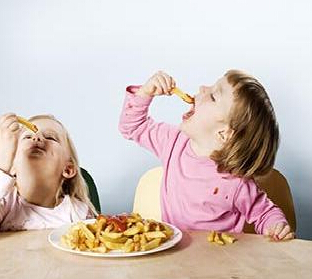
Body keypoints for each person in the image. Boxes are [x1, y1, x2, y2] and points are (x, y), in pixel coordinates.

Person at [119, 70, 294, 240]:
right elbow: (133, 127)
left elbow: (264, 213)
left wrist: (276, 227)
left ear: (223, 133)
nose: (202, 87)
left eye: (213, 96)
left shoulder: (236, 183)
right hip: (174, 260)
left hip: (220, 263)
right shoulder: (172, 142)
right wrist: (145, 93)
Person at [0, 114, 96, 243]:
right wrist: (0, 161)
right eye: (27, 136)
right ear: (12, 165)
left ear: (68, 169)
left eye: (50, 138)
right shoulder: (4, 204)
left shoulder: (78, 213)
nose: (36, 138)